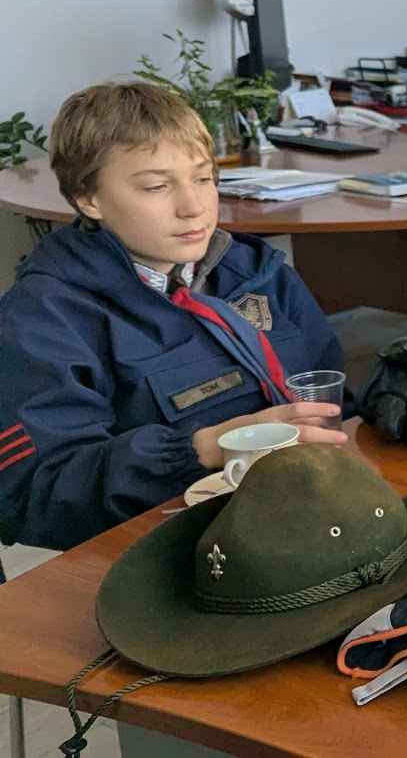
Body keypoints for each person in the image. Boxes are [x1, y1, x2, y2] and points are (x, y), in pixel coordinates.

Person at [0, 84, 347, 551]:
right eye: (157, 187)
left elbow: (337, 398)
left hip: (312, 516)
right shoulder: (44, 319)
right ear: (88, 199)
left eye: (203, 178)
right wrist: (200, 449)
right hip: (174, 553)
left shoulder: (255, 272)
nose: (194, 206)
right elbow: (34, 492)